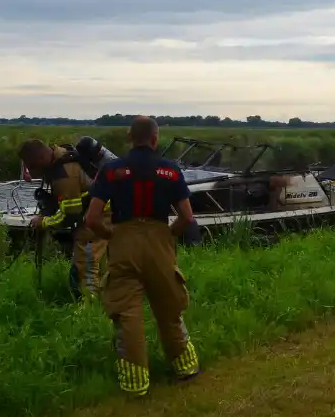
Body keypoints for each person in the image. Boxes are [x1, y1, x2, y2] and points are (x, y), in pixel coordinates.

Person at [84, 116, 200, 397]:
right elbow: (187, 217)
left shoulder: (111, 171)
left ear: (129, 137)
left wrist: (114, 235)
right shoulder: (170, 171)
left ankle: (135, 384)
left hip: (124, 243)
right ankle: (185, 368)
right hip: (160, 241)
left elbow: (92, 219)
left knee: (127, 312)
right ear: (155, 138)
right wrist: (168, 235)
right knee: (169, 308)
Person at [17, 137, 111, 301]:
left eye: (32, 167)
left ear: (42, 158)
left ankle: (88, 308)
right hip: (98, 213)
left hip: (97, 217)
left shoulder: (64, 174)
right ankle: (103, 301)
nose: (31, 172)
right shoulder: (58, 157)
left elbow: (70, 215)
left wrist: (44, 222)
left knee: (86, 264)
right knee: (96, 263)